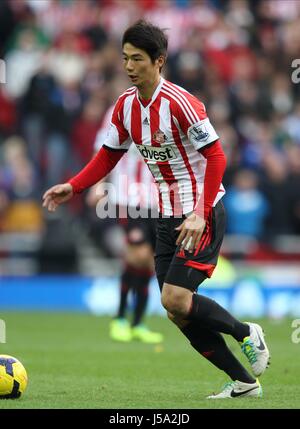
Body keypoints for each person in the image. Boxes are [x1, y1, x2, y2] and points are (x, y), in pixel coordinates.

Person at [43, 20, 270, 399]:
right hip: (165, 215)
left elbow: (215, 155)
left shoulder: (181, 103)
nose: (129, 67)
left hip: (202, 212)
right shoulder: (125, 106)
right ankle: (244, 382)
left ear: (159, 61)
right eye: (125, 58)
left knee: (174, 299)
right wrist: (75, 185)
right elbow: (108, 155)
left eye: (137, 59)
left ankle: (247, 332)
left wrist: (199, 211)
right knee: (176, 311)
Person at [87, 105, 163, 344]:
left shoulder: (168, 111)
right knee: (137, 254)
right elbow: (103, 150)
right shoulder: (119, 110)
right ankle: (119, 318)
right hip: (128, 197)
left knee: (149, 261)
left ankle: (138, 323)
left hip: (158, 199)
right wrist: (97, 184)